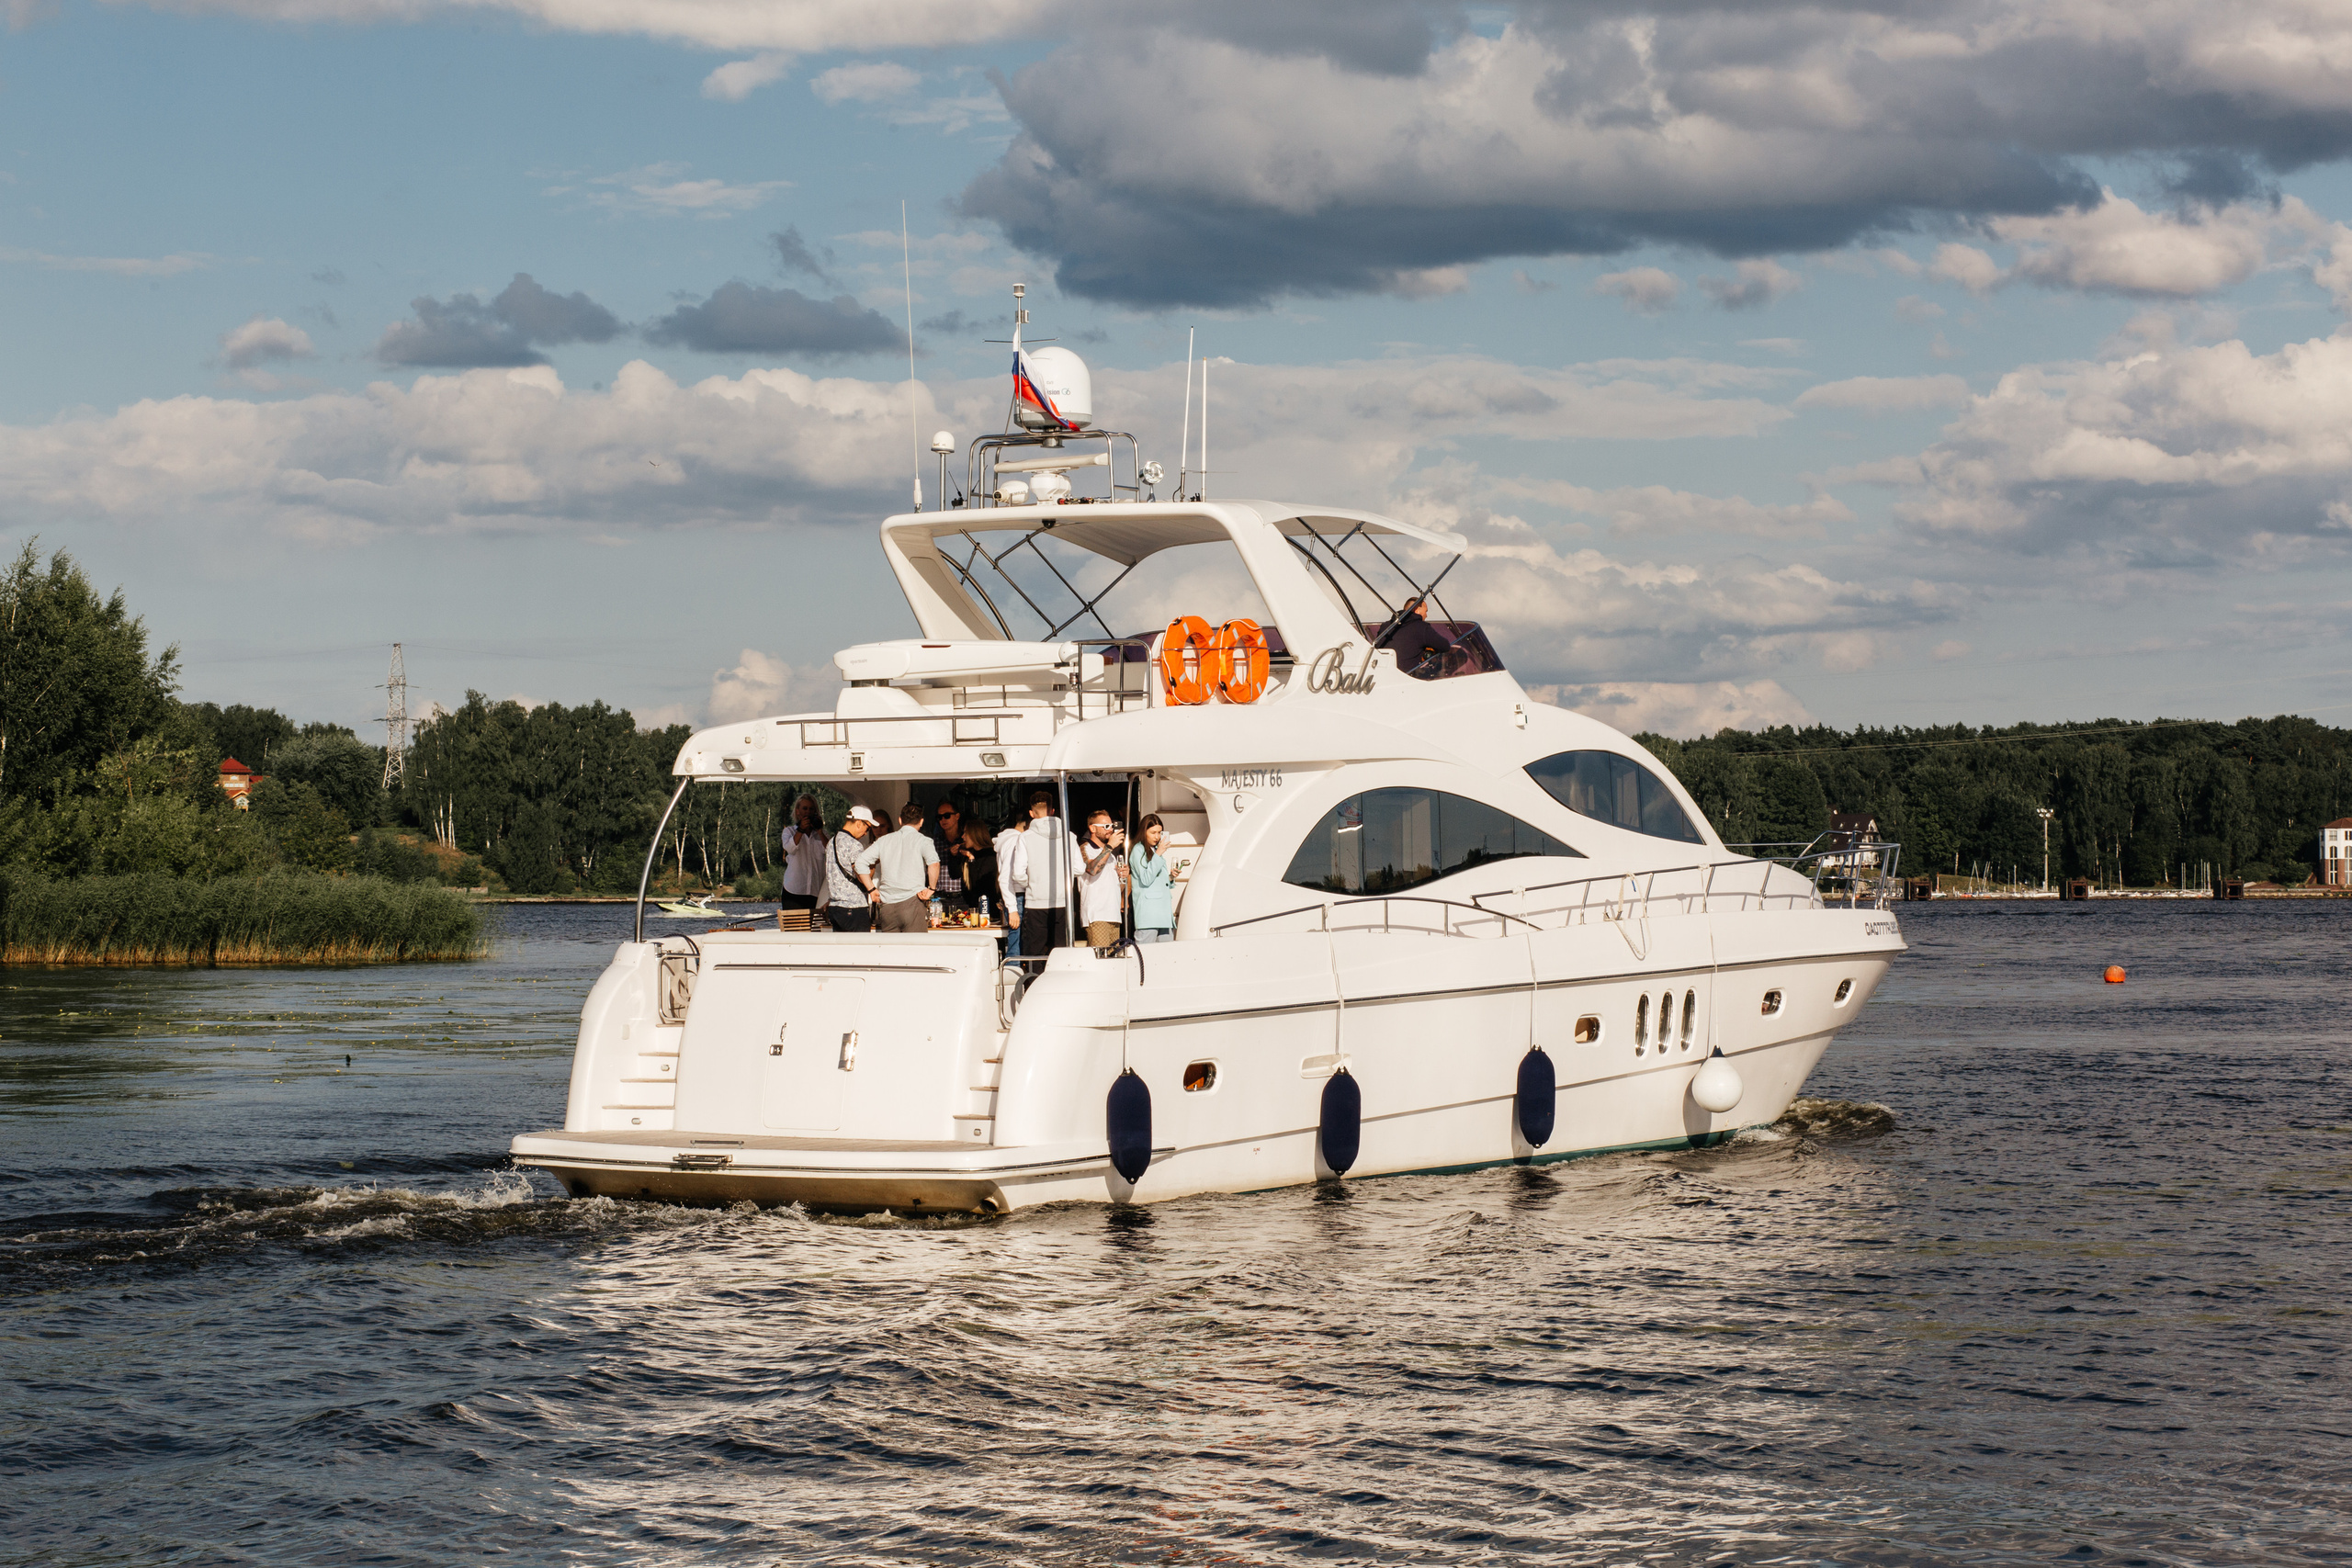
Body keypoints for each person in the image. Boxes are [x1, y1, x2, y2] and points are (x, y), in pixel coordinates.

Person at [854, 800, 941, 932]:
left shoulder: (883, 840)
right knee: (916, 951)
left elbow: (860, 862)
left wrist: (871, 889)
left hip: (888, 907)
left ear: (900, 820)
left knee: (891, 952)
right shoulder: (923, 840)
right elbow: (934, 863)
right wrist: (931, 888)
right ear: (921, 822)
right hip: (913, 902)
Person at [1009, 790, 1069, 953]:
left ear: (1031, 813)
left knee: (1034, 954)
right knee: (1061, 954)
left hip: (1036, 902)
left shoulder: (1025, 837)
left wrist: (1033, 884)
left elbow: (1018, 874)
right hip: (1063, 902)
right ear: (1052, 811)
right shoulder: (1069, 836)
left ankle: (1035, 980)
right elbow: (1078, 868)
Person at [1078, 807, 1127, 948]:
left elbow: (1117, 888)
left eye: (1111, 826)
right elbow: (1092, 870)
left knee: (1112, 960)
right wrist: (1110, 846)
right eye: (1106, 826)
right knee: (1100, 958)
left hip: (1113, 915)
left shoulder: (1110, 855)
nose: (1110, 830)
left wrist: (1123, 876)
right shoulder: (1085, 848)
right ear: (1092, 828)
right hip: (1097, 915)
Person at [825, 806, 879, 932]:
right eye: (868, 828)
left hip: (835, 907)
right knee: (860, 950)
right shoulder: (854, 845)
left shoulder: (831, 842)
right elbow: (862, 876)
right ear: (859, 823)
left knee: (842, 950)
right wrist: (873, 863)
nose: (866, 833)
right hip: (854, 907)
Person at [1374, 593, 1453, 680]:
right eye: (1425, 611)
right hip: (1404, 680)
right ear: (1417, 611)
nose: (1426, 615)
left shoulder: (1385, 627)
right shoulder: (1421, 627)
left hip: (1380, 677)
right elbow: (1445, 646)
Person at [777, 794, 825, 927]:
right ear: (798, 811)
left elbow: (831, 851)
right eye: (805, 809)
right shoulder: (789, 832)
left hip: (815, 890)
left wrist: (820, 831)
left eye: (811, 809)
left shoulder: (821, 835)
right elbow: (790, 848)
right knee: (793, 930)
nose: (808, 812)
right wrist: (801, 830)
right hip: (794, 890)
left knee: (813, 930)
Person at [1128, 813, 1175, 943]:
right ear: (1144, 832)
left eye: (1160, 832)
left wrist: (1171, 877)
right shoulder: (1138, 850)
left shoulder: (1154, 850)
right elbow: (1146, 879)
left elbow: (1156, 879)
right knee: (1146, 954)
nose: (1157, 836)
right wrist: (1159, 854)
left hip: (1164, 914)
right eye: (1153, 832)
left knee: (1166, 955)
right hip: (1148, 915)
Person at [994, 811, 1028, 956]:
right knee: (1016, 944)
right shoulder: (1015, 841)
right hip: (1017, 896)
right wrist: (1012, 909)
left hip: (1016, 897)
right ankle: (1013, 976)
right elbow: (1006, 876)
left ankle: (1014, 973)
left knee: (1018, 942)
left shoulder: (1009, 839)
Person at [956, 819, 998, 921]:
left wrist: (971, 859)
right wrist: (954, 856)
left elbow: (979, 884)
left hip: (990, 911)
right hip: (973, 910)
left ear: (974, 834)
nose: (962, 836)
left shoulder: (991, 855)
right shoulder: (967, 854)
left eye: (965, 833)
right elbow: (954, 874)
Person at [927, 798, 967, 907]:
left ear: (957, 816)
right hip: (939, 898)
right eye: (939, 817)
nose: (943, 820)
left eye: (947, 816)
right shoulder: (934, 841)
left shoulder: (966, 839)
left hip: (963, 897)